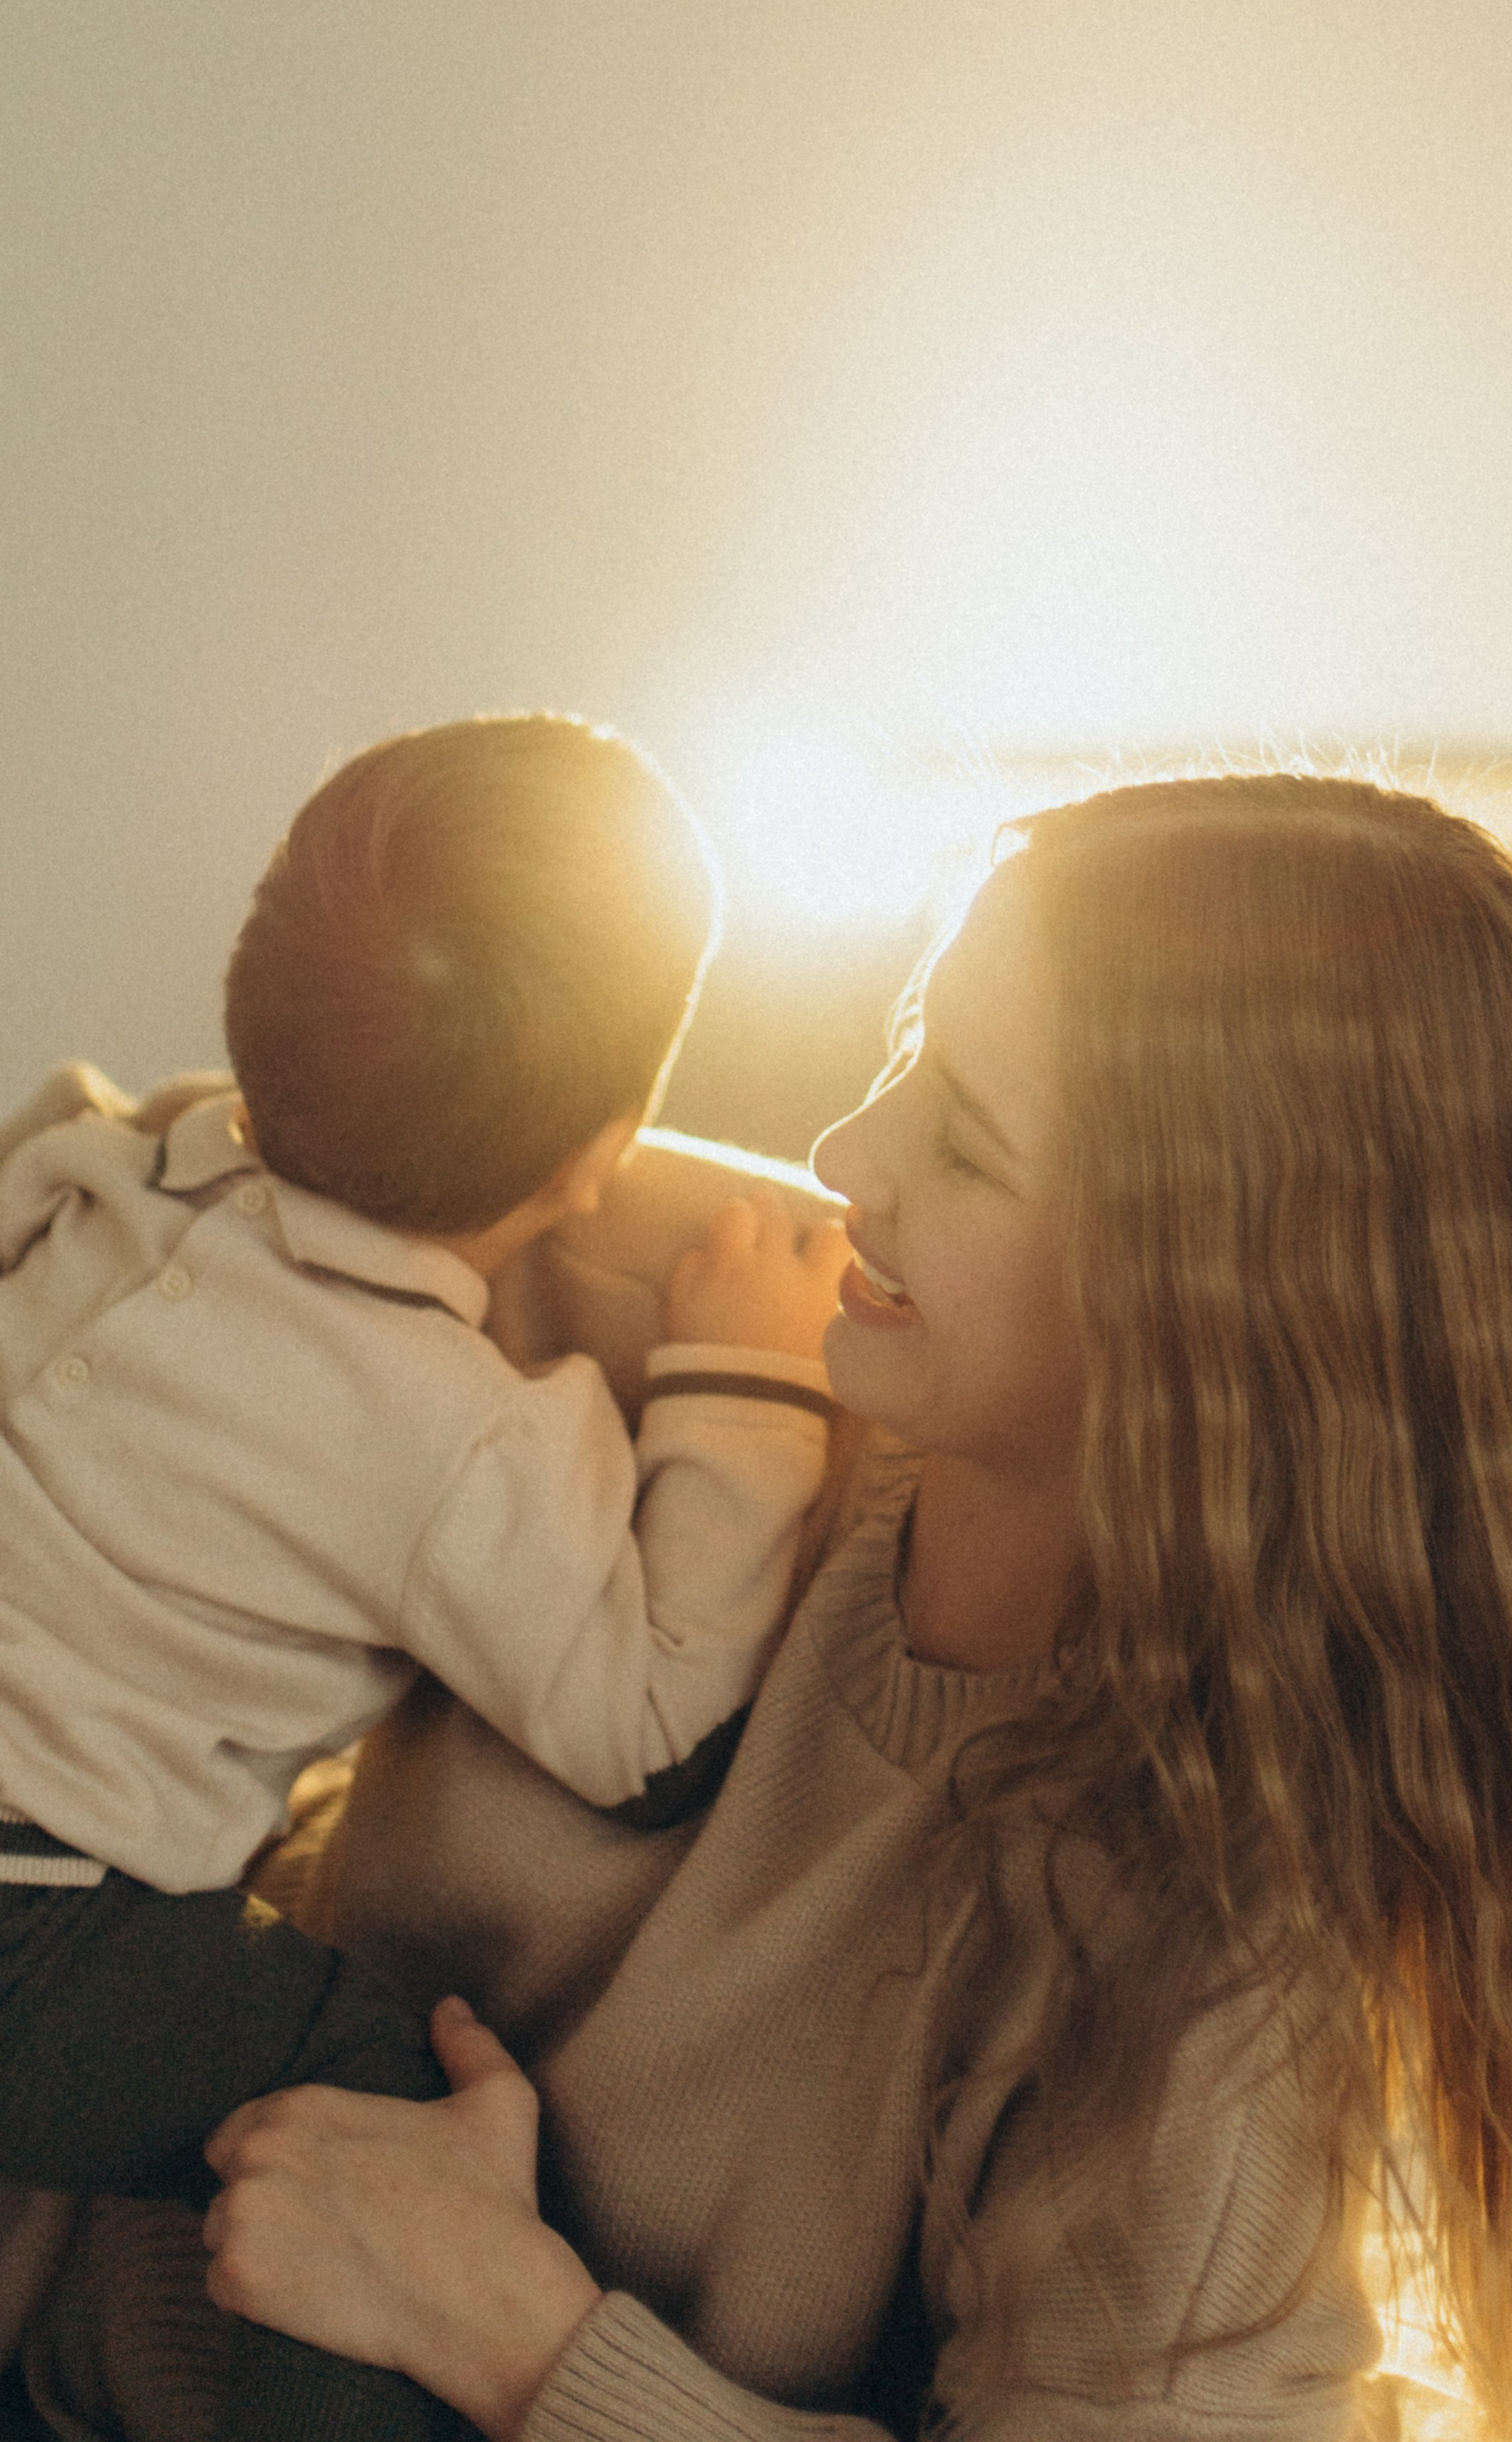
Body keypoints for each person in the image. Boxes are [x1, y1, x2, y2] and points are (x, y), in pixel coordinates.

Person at [41, 773, 1512, 2441]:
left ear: (1206, 1313)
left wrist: (518, 2339)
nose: (841, 1153)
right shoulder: (725, 1302)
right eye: (908, 1052)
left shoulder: (1218, 1985)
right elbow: (158, 1187)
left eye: (969, 1142)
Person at [0, 715, 849, 2442]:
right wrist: (745, 1383)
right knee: (374, 2112)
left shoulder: (94, 1165)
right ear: (595, 1156)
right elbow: (649, 1730)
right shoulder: (460, 1435)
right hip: (35, 1928)